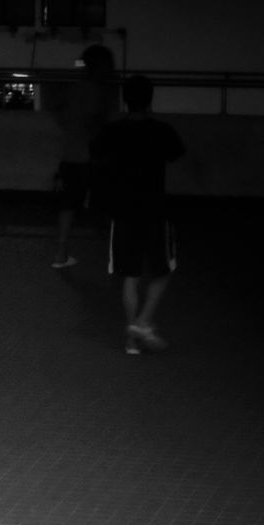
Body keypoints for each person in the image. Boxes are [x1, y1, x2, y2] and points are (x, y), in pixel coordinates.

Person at [91, 74, 185, 354]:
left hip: (124, 211)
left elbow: (95, 154)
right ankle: (143, 322)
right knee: (162, 271)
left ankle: (132, 337)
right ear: (150, 99)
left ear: (125, 98)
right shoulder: (162, 131)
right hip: (155, 209)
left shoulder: (113, 131)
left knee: (130, 276)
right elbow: (178, 157)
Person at [51, 45, 117, 269]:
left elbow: (58, 111)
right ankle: (115, 255)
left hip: (70, 155)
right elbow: (97, 125)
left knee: (67, 205)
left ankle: (60, 254)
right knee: (108, 207)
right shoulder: (100, 91)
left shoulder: (73, 89)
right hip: (92, 157)